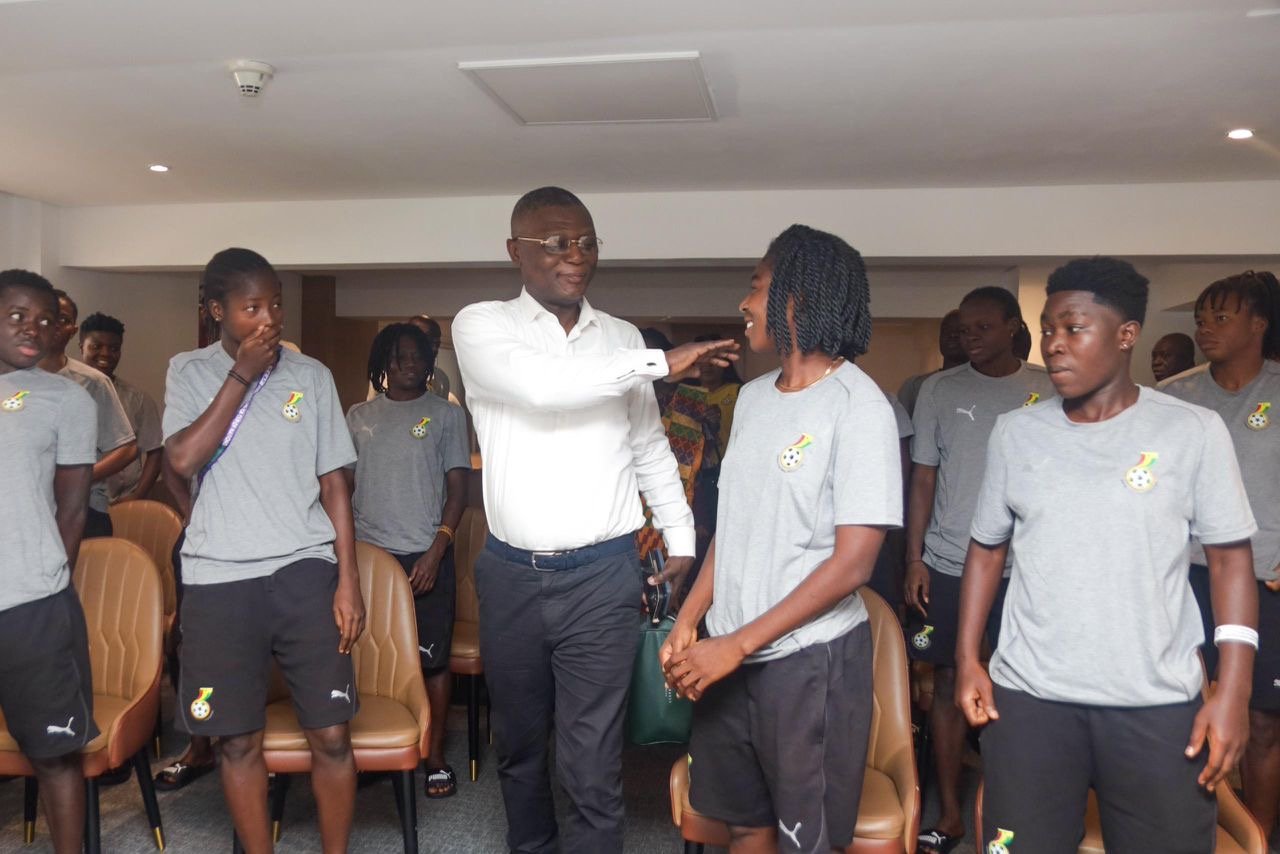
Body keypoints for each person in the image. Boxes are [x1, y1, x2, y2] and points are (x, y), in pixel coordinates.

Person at [452, 186, 737, 853]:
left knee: (592, 759)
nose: (575, 255)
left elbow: (648, 448)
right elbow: (542, 387)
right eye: (556, 242)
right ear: (515, 250)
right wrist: (659, 363)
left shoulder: (620, 337)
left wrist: (681, 537)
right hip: (511, 575)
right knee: (521, 746)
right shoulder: (481, 326)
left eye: (586, 242)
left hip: (603, 575)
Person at [957, 256, 1258, 853]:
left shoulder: (1192, 431)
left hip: (1155, 705)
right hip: (1031, 703)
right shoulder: (1016, 433)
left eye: (1073, 328)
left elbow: (1230, 561)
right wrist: (967, 658)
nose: (1054, 344)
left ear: (1126, 335)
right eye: (1047, 329)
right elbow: (986, 550)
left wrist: (1235, 691)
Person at [662, 225, 901, 854]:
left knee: (805, 841)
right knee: (744, 824)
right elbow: (735, 527)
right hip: (729, 654)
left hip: (807, 664)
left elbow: (855, 564)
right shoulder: (753, 399)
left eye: (757, 287)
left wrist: (735, 646)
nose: (744, 304)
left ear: (797, 297)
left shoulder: (859, 407)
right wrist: (690, 620)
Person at [163, 248, 364, 854]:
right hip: (218, 580)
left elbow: (335, 484)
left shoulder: (312, 377)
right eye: (252, 307)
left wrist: (349, 581)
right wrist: (243, 374)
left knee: (332, 735)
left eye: (275, 304)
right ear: (216, 311)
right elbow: (182, 458)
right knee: (236, 741)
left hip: (304, 570)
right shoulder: (187, 371)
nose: (269, 318)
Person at [903, 286, 1054, 854]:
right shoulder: (939, 390)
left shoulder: (1048, 387)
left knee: (1019, 687)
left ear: (1014, 326)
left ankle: (1006, 813)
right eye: (965, 328)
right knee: (947, 682)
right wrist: (914, 558)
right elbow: (923, 478)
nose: (970, 337)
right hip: (948, 562)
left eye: (983, 327)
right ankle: (950, 814)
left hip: (1026, 568)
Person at [1161, 270, 1280, 837]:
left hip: (1264, 580)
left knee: (1262, 722)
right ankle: (1191, 831)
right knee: (1181, 709)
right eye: (1200, 319)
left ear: (1258, 324)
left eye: (1221, 317)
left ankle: (1256, 836)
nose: (1205, 327)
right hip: (1188, 578)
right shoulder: (1173, 397)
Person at [344, 322, 470, 798]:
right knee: (369, 659)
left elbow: (458, 490)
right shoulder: (358, 416)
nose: (410, 363)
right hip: (370, 557)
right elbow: (342, 486)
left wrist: (438, 550)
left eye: (418, 355)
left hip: (425, 555)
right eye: (399, 355)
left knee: (431, 661)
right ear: (383, 363)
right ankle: (376, 746)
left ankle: (433, 756)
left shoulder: (446, 415)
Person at [0, 269, 99, 854]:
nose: (32, 329)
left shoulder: (67, 400)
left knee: (55, 755)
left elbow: (73, 509)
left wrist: (45, 575)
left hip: (32, 606)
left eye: (44, 319)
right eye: (17, 315)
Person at [38, 290, 136, 537]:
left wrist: (79, 478)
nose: (55, 325)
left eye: (63, 319)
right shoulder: (11, 377)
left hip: (83, 507)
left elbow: (126, 448)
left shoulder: (93, 382)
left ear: (73, 330)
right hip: (26, 506)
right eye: (48, 316)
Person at [78, 312, 163, 502]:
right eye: (96, 346)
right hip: (73, 499)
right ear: (81, 347)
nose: (105, 354)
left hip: (121, 501)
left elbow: (156, 452)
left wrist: (138, 495)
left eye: (114, 348)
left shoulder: (138, 399)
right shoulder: (65, 393)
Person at [898, 309, 966, 417]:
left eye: (960, 331)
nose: (952, 335)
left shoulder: (982, 385)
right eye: (946, 331)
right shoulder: (915, 386)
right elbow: (900, 424)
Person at [408, 314, 456, 402]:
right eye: (428, 341)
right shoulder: (386, 380)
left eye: (437, 344)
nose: (434, 348)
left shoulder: (441, 378)